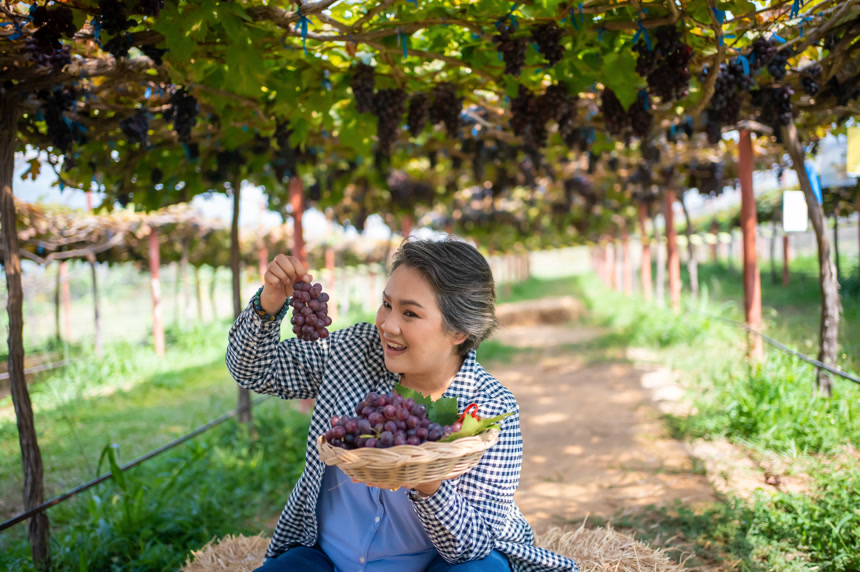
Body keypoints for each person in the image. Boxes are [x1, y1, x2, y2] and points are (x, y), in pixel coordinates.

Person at [226, 238, 578, 572]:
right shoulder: (354, 351)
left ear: (459, 332)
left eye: (410, 314)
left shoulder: (488, 410)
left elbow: (471, 546)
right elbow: (252, 371)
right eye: (387, 304)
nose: (387, 324)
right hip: (329, 560)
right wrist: (268, 304)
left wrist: (430, 487)